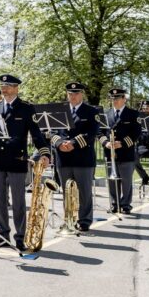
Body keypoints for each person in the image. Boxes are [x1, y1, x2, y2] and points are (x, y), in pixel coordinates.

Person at [0, 74, 51, 251]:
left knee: (18, 202)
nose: (4, 89)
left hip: (17, 160)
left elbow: (36, 134)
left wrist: (45, 153)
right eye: (2, 85)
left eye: (8, 86)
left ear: (16, 88)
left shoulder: (26, 108)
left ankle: (20, 237)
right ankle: (2, 234)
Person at [51, 82, 98, 232]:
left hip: (82, 158)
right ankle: (69, 219)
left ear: (82, 94)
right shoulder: (60, 111)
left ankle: (84, 221)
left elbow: (92, 133)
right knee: (66, 192)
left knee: (84, 192)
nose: (73, 96)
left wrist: (73, 143)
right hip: (63, 158)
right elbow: (50, 131)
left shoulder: (91, 111)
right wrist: (58, 143)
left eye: (76, 93)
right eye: (70, 94)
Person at [100, 87, 142, 215]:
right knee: (112, 180)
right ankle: (114, 203)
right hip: (110, 152)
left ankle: (126, 204)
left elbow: (136, 133)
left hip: (126, 152)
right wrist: (106, 142)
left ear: (124, 99)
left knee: (126, 180)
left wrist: (122, 143)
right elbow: (100, 132)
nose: (115, 101)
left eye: (117, 98)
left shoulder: (133, 114)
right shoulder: (106, 115)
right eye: (113, 98)